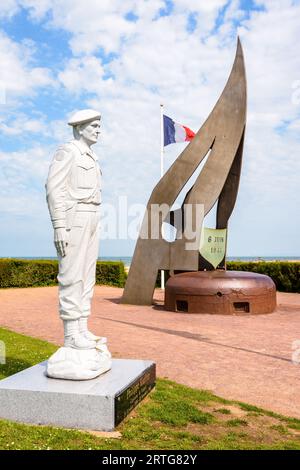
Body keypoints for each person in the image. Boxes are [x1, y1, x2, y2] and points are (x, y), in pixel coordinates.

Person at [46, 109, 103, 350]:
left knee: (87, 275)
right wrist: (59, 225)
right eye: (94, 126)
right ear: (79, 128)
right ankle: (70, 334)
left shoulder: (91, 156)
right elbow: (53, 188)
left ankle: (82, 327)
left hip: (93, 215)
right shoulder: (68, 151)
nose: (98, 130)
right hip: (74, 217)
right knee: (71, 275)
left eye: (99, 126)